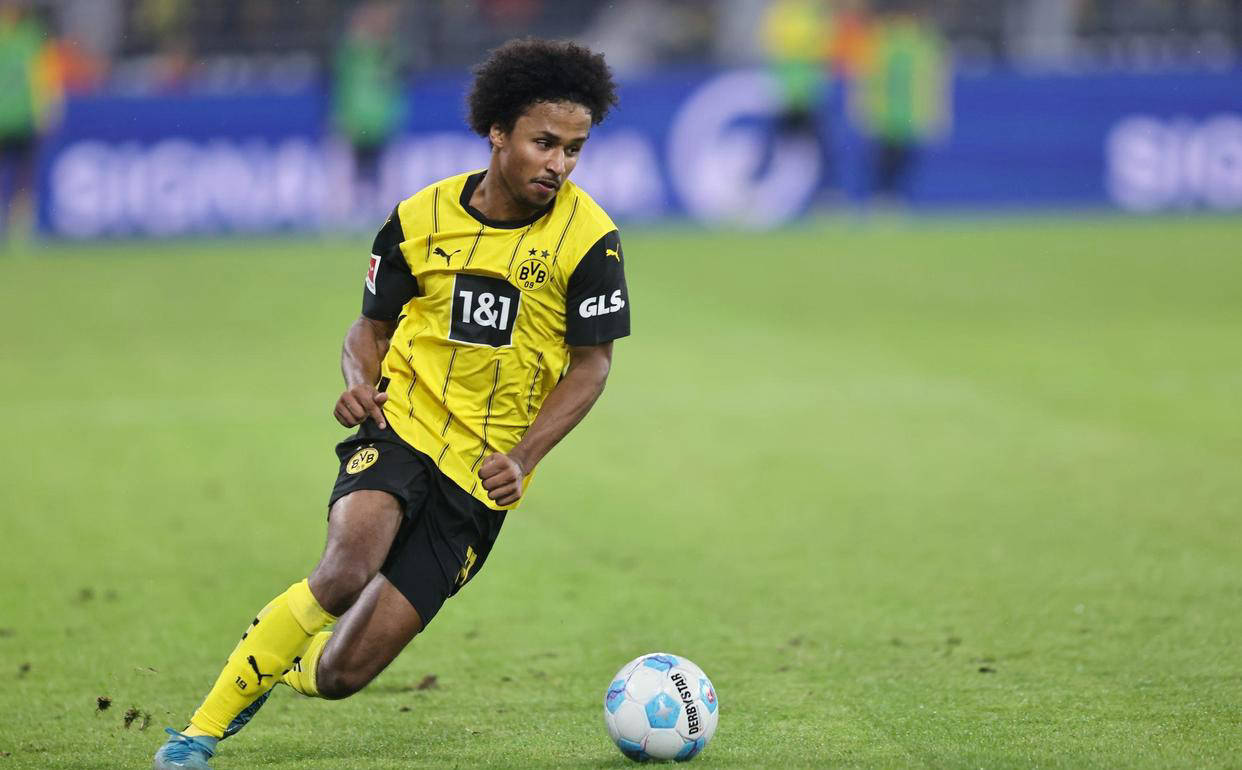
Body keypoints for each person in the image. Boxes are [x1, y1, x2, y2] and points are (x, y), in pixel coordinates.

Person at [153, 38, 628, 769]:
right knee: (348, 564)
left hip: (480, 478)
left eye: (574, 149)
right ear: (497, 131)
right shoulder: (418, 217)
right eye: (544, 143)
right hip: (400, 425)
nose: (558, 165)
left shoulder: (590, 239)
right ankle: (198, 734)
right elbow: (369, 328)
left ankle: (280, 662)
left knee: (342, 675)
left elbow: (592, 366)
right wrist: (358, 378)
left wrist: (524, 456)